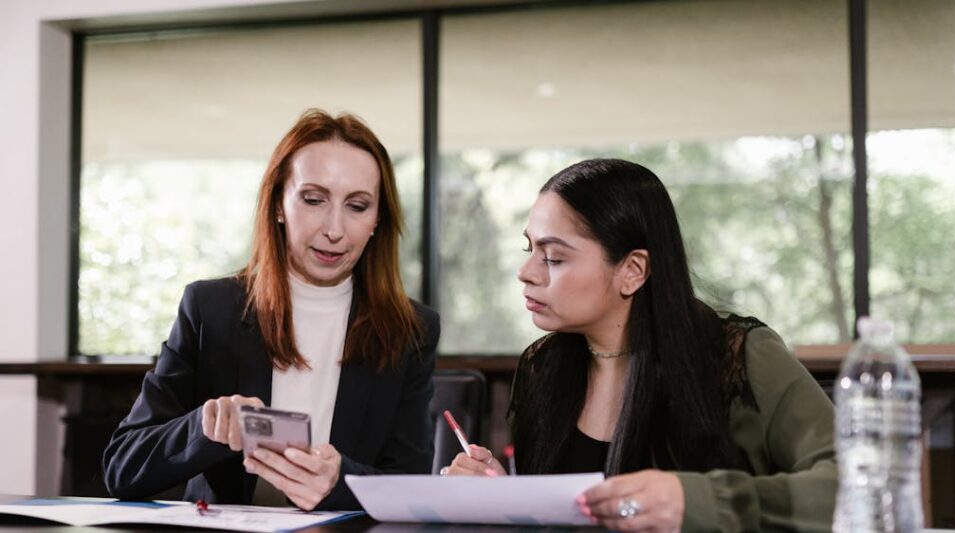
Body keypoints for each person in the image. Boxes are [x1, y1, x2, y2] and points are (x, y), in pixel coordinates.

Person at [443, 159, 836, 532]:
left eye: (554, 258)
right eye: (530, 250)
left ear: (632, 270)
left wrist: (697, 501)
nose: (525, 273)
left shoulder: (741, 355)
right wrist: (502, 493)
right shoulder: (541, 366)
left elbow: (854, 483)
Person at [103, 110, 439, 511]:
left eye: (357, 205)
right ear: (279, 204)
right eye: (314, 200)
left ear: (377, 220)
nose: (334, 229)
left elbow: (411, 488)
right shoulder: (211, 309)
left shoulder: (410, 329)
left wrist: (339, 482)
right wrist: (203, 427)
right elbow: (121, 468)